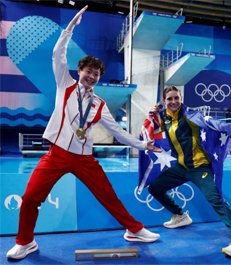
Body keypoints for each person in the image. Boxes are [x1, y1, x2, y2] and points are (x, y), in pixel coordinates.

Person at [6, 6, 161, 260]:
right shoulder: (64, 85)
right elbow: (58, 55)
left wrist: (144, 145)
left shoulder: (99, 104)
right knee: (31, 196)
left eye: (96, 74)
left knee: (109, 197)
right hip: (56, 155)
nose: (92, 76)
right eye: (88, 71)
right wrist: (70, 28)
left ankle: (134, 230)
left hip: (84, 159)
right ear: (79, 72)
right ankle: (25, 242)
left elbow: (119, 133)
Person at [146, 86, 231, 258]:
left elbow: (210, 122)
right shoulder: (166, 119)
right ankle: (180, 215)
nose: (173, 102)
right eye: (169, 99)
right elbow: (153, 131)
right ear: (164, 101)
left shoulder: (190, 116)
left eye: (176, 98)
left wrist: (230, 130)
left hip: (199, 167)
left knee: (215, 198)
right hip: (181, 168)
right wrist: (153, 115)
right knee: (154, 188)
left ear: (181, 98)